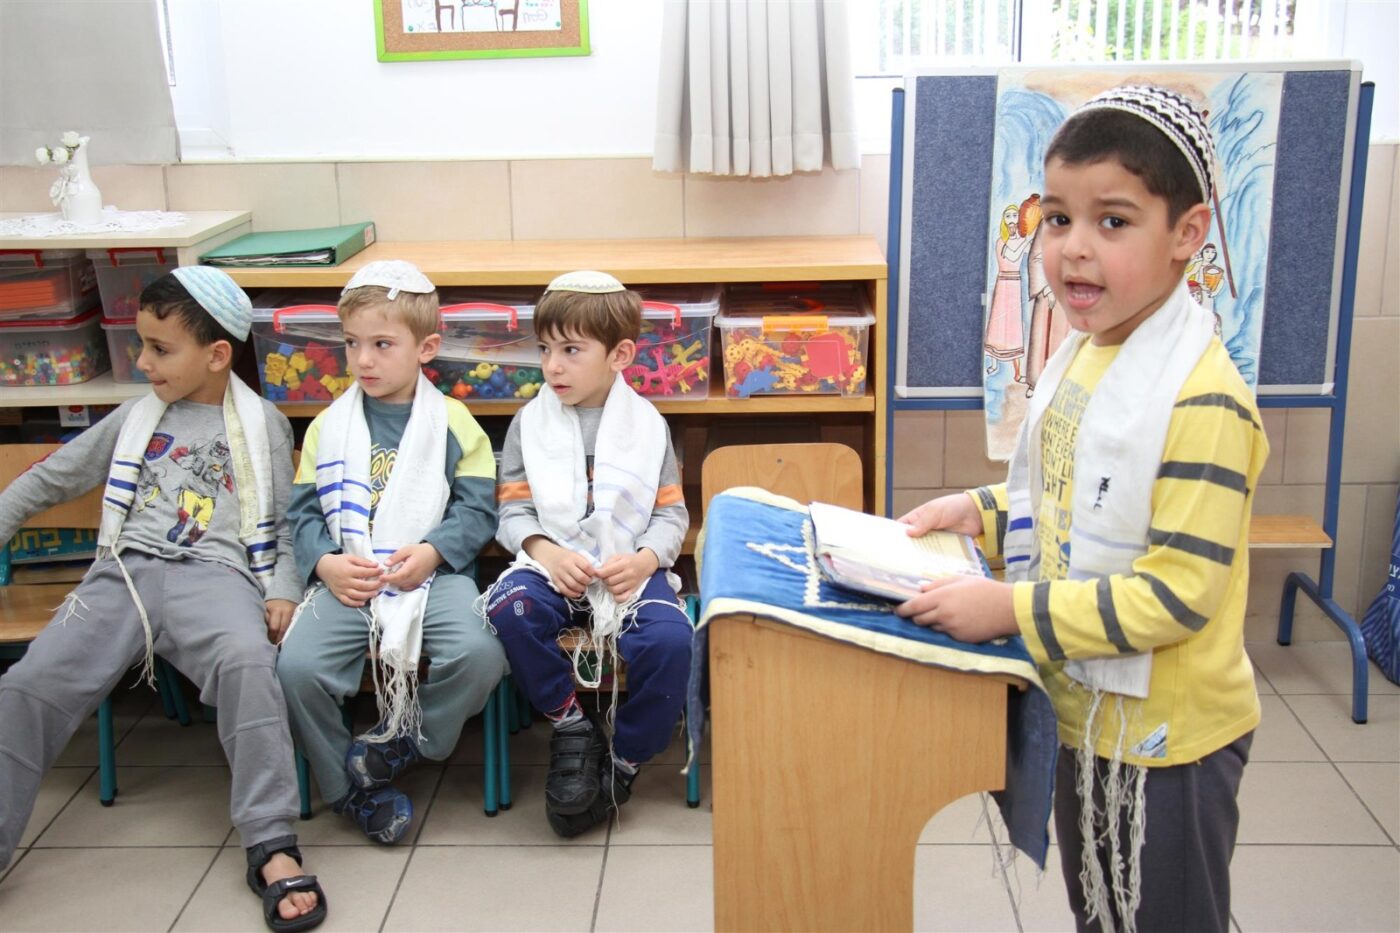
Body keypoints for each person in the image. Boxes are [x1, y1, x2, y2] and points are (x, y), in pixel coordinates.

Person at [895, 86, 1269, 933]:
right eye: (1059, 218)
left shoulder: (1203, 400)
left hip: (1166, 740)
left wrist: (1009, 609)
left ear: (1187, 233)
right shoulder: (1088, 353)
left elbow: (1175, 595)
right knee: (1101, 909)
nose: (1073, 248)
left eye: (1113, 221)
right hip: (1086, 706)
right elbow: (1067, 489)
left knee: (1164, 917)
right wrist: (982, 512)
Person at [0, 267, 326, 932]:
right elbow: (50, 478)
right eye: (141, 345)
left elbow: (285, 522)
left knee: (248, 665)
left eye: (159, 348)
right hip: (121, 575)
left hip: (218, 577)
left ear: (216, 354)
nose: (143, 362)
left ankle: (270, 841)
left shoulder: (263, 424)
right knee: (27, 685)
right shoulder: (134, 417)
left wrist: (284, 588)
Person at [277, 260, 505, 844]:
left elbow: (477, 509)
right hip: (349, 575)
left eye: (382, 344)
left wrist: (433, 552)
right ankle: (346, 789)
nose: (363, 360)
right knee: (296, 669)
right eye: (352, 343)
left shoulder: (455, 422)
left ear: (426, 347)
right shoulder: (328, 426)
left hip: (434, 576)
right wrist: (326, 563)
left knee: (481, 654)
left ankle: (408, 742)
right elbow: (303, 514)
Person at [482, 270, 691, 837]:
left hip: (627, 570)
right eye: (545, 349)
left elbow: (671, 515)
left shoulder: (648, 425)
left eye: (571, 351)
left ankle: (624, 758)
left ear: (619, 355)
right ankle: (571, 725)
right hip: (552, 567)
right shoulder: (529, 423)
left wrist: (645, 560)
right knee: (509, 610)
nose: (552, 366)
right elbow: (513, 512)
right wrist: (546, 551)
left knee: (672, 642)